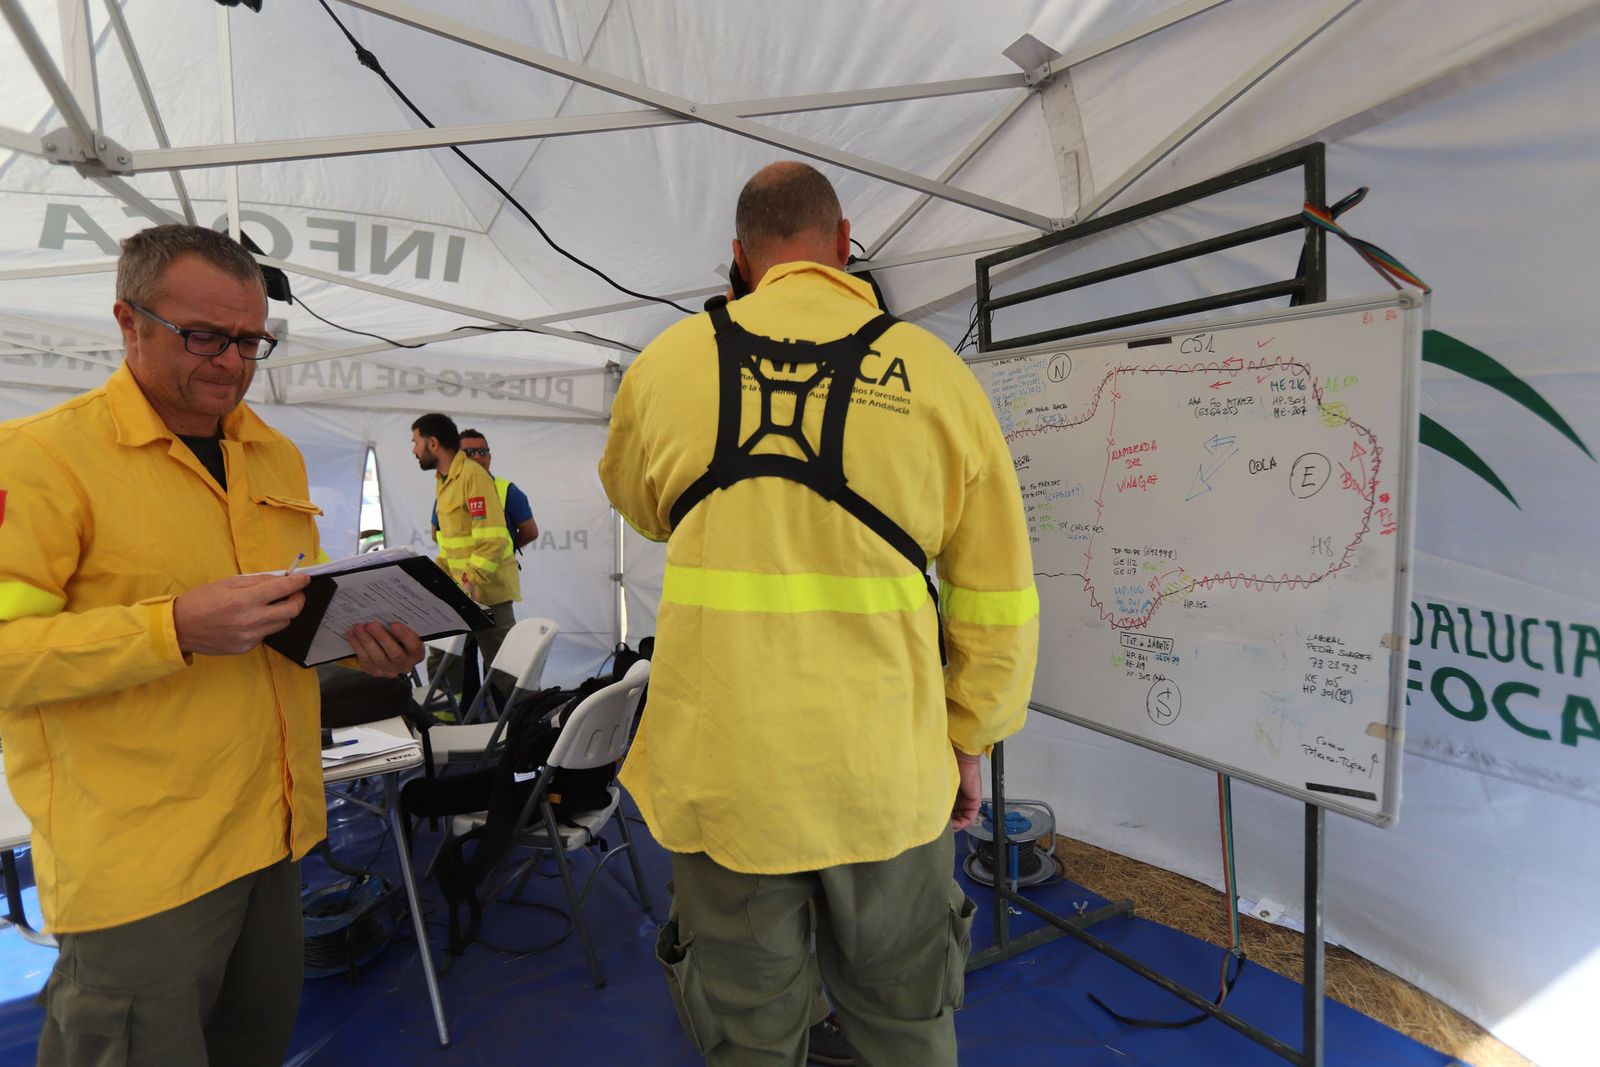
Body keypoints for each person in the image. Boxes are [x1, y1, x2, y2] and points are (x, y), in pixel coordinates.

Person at [599, 161, 1039, 1066]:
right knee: (905, 1027)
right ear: (844, 244)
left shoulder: (664, 364)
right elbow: (997, 595)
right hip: (887, 777)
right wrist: (969, 738)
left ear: (738, 256)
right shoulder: (937, 373)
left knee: (750, 1035)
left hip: (726, 782)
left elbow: (643, 509)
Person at [0, 223, 424, 1067]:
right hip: (142, 862)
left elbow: (284, 617)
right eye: (203, 335)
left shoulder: (273, 455)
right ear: (128, 321)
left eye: (250, 340)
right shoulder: (42, 458)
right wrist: (173, 628)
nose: (231, 362)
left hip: (273, 831)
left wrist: (361, 643)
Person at [411, 413, 519, 679]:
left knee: (507, 675)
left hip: (489, 594)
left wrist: (472, 580)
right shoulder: (444, 480)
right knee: (444, 665)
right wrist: (431, 579)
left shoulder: (473, 476)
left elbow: (493, 539)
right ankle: (447, 708)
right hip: (463, 592)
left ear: (433, 443)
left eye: (416, 442)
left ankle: (529, 709)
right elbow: (451, 545)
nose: (414, 450)